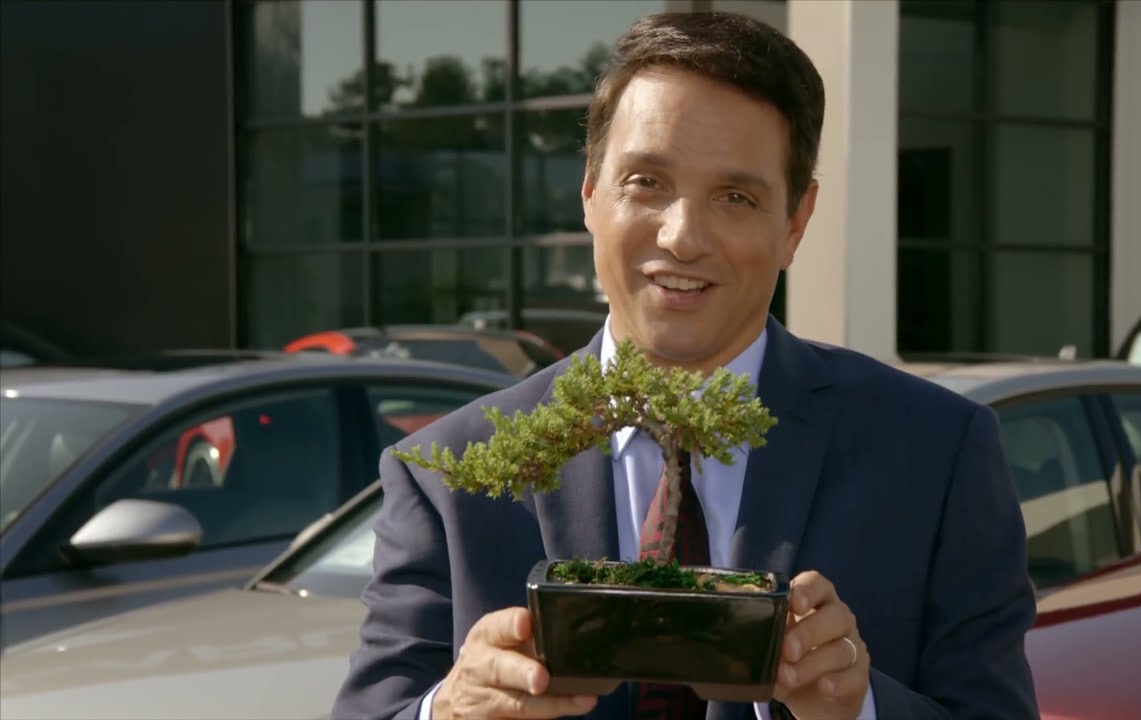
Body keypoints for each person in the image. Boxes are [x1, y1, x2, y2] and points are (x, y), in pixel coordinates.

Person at [331, 11, 1038, 720]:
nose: (683, 237)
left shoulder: (935, 453)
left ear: (795, 223)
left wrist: (858, 708)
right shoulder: (447, 476)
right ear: (589, 194)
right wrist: (450, 710)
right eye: (646, 181)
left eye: (736, 198)